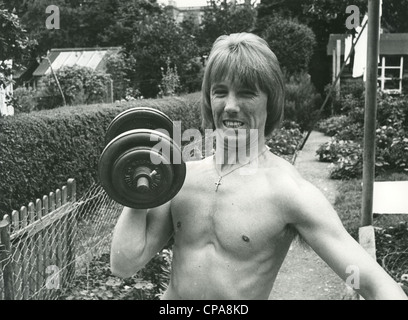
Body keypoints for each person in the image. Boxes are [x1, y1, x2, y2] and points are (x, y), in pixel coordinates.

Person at [110, 32, 408, 300]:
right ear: (208, 98)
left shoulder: (288, 192)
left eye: (247, 93)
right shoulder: (181, 178)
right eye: (220, 91)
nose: (230, 106)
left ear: (271, 102)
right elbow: (125, 264)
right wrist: (139, 178)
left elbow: (376, 285)